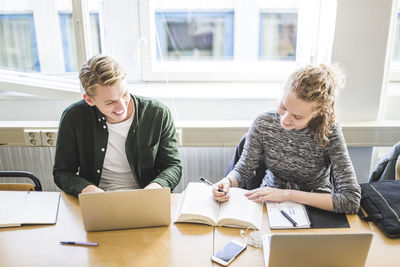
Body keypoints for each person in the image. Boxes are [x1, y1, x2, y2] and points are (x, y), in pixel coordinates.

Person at [213, 64, 361, 214]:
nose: (284, 120)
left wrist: (287, 195)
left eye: (297, 116)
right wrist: (228, 181)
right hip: (269, 204)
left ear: (318, 113)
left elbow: (351, 200)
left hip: (315, 208)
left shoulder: (329, 132)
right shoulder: (264, 123)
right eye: (283, 107)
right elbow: (244, 170)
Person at [53, 55, 182, 196]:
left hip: (146, 196)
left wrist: (156, 188)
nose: (122, 106)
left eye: (124, 94)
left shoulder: (158, 114)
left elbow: (172, 166)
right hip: (97, 199)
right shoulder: (73, 117)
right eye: (110, 102)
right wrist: (87, 189)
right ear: (89, 100)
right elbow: (62, 172)